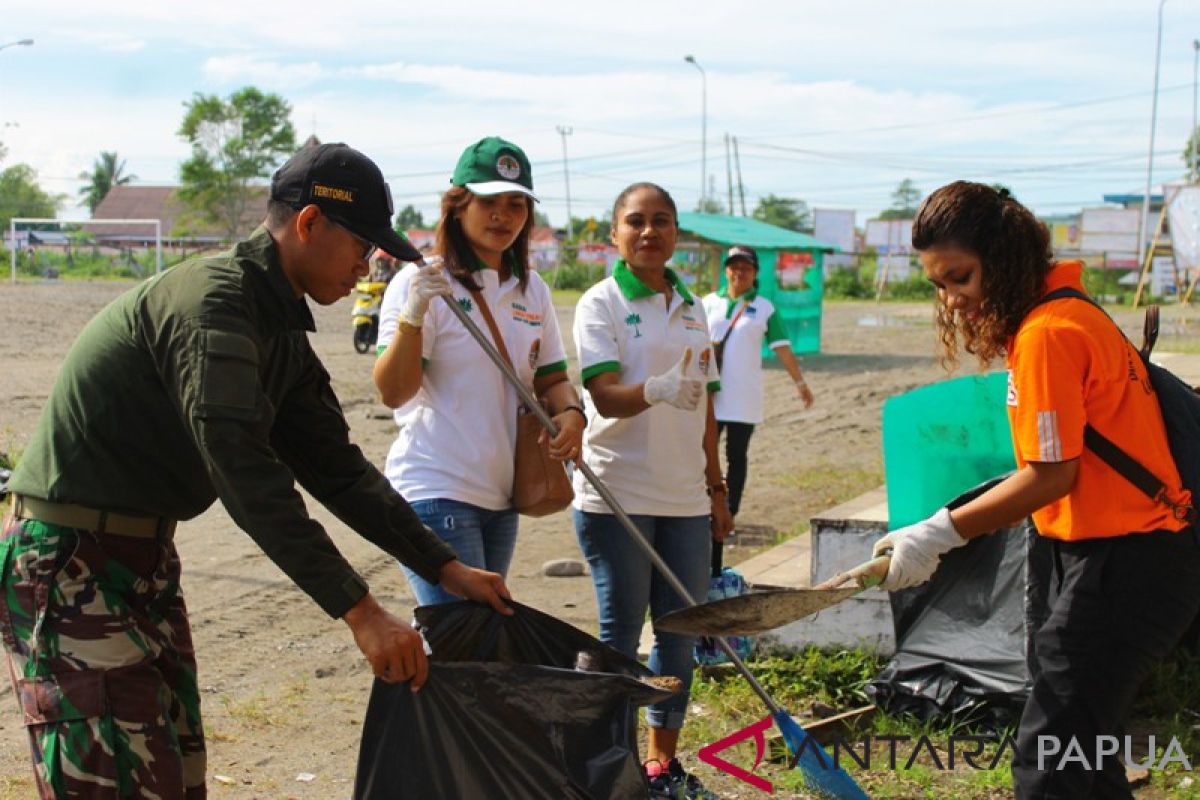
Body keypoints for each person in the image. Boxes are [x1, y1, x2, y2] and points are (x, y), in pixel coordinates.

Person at [0, 142, 512, 799]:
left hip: (139, 558)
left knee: (174, 778)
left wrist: (445, 566)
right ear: (308, 225)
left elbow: (337, 468)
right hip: (70, 562)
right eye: (361, 246)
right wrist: (360, 610)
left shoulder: (274, 327)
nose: (367, 265)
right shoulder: (216, 306)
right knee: (113, 781)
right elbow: (245, 471)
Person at [865, 180, 1200, 799]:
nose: (953, 301)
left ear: (1005, 258)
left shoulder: (1049, 333)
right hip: (1104, 555)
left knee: (1052, 766)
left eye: (960, 278)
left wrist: (939, 533)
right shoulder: (1070, 312)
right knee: (1083, 752)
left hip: (1129, 562)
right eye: (939, 285)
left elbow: (1050, 475)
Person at [572, 181, 733, 799]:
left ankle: (662, 765)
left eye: (660, 221)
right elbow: (602, 394)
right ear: (614, 233)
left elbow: (708, 408)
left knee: (680, 636)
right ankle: (609, 765)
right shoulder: (601, 303)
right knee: (618, 637)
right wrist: (654, 390)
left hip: (686, 500)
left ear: (676, 233)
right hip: (618, 495)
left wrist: (716, 486)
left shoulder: (694, 307)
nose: (648, 232)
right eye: (634, 221)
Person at [373, 136, 584, 605]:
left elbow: (550, 379)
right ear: (458, 204)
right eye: (488, 201)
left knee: (474, 643)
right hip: (435, 489)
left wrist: (572, 415)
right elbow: (393, 391)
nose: (502, 216)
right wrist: (412, 317)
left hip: (502, 498)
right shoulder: (423, 282)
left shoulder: (532, 291)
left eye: (516, 204)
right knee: (465, 639)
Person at [701, 244, 813, 569]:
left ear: (755, 274)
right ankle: (704, 509)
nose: (739, 272)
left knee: (737, 457)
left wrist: (800, 383)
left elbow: (782, 348)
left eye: (746, 268)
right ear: (725, 270)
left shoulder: (764, 308)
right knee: (703, 454)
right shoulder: (707, 304)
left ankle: (729, 514)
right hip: (710, 397)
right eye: (734, 267)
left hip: (744, 398)